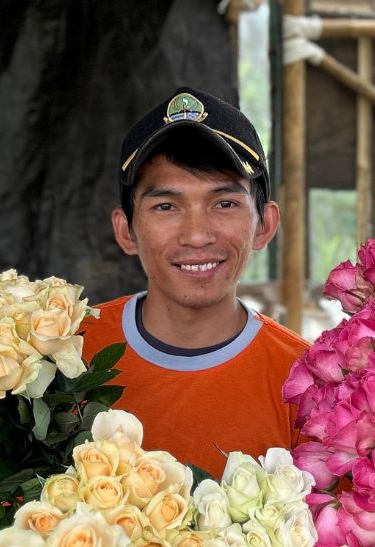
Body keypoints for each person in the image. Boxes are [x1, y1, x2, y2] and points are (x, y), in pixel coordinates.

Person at [79, 86, 307, 477]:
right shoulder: (67, 356)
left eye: (225, 203)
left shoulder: (305, 381)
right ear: (126, 230)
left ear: (265, 225)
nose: (197, 235)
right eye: (166, 206)